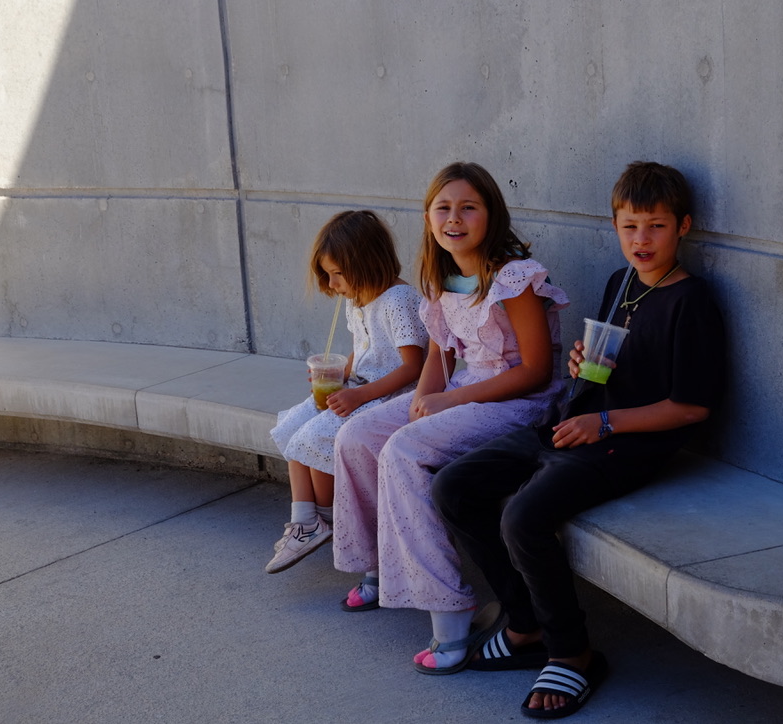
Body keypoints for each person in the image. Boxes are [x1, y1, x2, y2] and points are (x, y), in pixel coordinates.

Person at [432, 161, 726, 718]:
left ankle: (572, 653)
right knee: (455, 485)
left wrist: (607, 422)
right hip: (576, 425)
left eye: (656, 226)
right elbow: (609, 365)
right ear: (615, 226)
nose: (641, 240)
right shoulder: (620, 285)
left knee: (523, 516)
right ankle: (524, 625)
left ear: (683, 226)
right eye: (630, 226)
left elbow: (692, 406)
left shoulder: (693, 301)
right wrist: (583, 366)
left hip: (627, 443)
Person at [330, 162, 570, 675]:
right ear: (428, 218)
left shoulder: (513, 278)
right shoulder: (441, 276)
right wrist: (422, 399)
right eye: (443, 208)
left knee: (405, 450)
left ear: (491, 215)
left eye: (468, 207)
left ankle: (450, 614)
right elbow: (441, 355)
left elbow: (535, 371)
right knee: (358, 433)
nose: (454, 218)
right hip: (465, 391)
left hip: (517, 403)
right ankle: (379, 568)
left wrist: (446, 405)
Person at [266, 210, 427, 574]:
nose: (332, 283)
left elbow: (413, 368)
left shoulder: (398, 300)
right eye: (327, 274)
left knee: (317, 436)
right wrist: (340, 375)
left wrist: (359, 395)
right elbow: (364, 349)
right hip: (358, 388)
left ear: (367, 261)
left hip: (389, 396)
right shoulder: (359, 300)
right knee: (296, 425)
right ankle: (304, 521)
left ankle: (326, 518)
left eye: (337, 273)